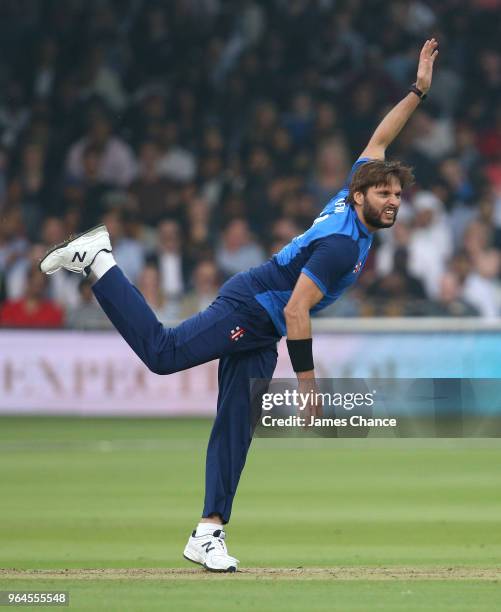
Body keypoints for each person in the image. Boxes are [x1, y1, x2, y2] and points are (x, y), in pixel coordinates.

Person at [39, 40, 438, 573]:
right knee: (163, 352)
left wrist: (417, 90)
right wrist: (308, 386)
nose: (392, 201)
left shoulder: (354, 188)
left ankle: (208, 532)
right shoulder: (343, 244)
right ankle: (99, 262)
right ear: (363, 196)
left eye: (397, 195)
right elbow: (298, 311)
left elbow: (382, 136)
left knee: (235, 425)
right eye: (384, 194)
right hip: (252, 308)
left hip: (261, 329)